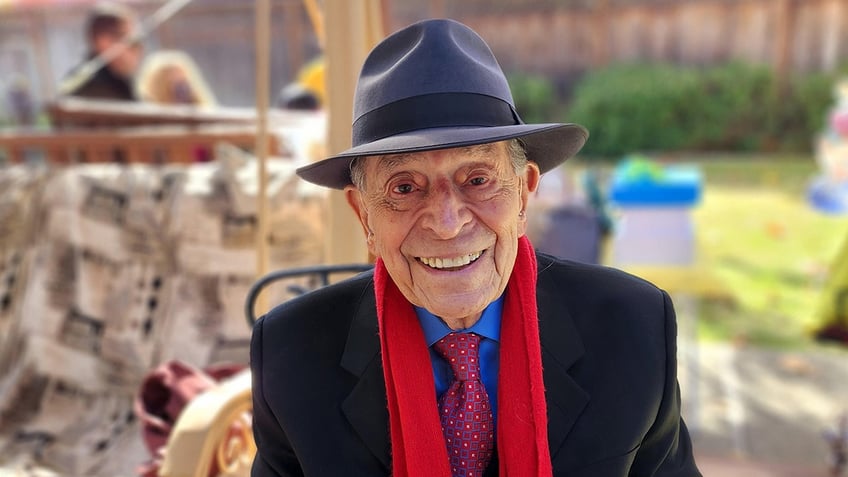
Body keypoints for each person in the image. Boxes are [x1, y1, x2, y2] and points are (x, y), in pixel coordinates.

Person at [250, 19, 701, 477]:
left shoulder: (634, 328)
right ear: (365, 216)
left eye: (478, 180)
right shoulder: (290, 355)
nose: (447, 225)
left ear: (524, 194)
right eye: (404, 187)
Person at [60, 1, 143, 101]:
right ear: (103, 42)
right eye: (131, 41)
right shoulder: (93, 87)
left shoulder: (119, 80)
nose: (138, 50)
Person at [137, 50, 217, 107]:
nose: (181, 89)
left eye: (183, 81)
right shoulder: (147, 113)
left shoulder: (198, 106)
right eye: (171, 83)